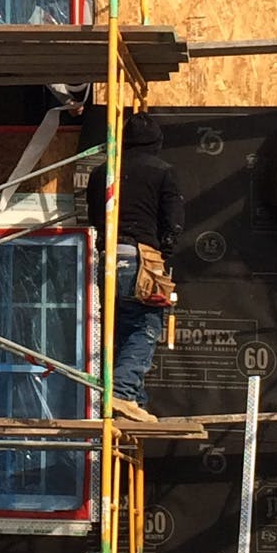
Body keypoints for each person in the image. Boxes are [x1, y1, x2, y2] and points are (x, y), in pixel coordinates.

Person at [86, 112, 184, 423]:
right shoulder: (163, 172)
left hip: (104, 257)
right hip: (141, 256)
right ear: (156, 142)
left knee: (115, 329)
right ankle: (124, 393)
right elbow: (173, 223)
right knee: (145, 326)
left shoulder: (103, 172)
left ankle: (131, 400)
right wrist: (163, 251)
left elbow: (94, 217)